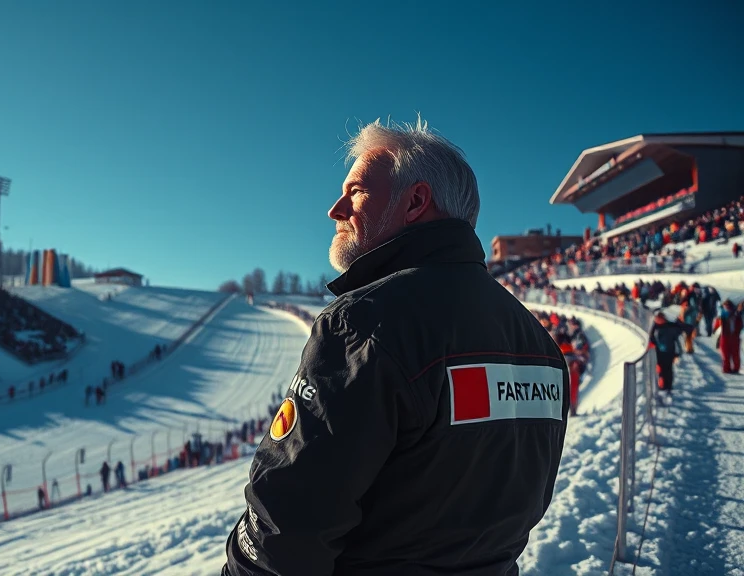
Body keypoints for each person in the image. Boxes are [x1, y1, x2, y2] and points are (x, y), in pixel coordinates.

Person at [223, 117, 569, 575]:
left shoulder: (365, 324)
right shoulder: (538, 343)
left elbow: (286, 527)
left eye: (357, 190)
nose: (335, 208)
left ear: (416, 202)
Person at [649, 310, 692, 399]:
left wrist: (677, 353)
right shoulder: (655, 327)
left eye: (659, 319)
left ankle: (666, 387)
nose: (657, 320)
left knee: (667, 370)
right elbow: (652, 338)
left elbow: (684, 330)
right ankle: (663, 386)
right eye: (657, 319)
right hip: (659, 352)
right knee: (661, 370)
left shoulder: (670, 327)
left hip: (669, 352)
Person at [713, 299, 742, 374]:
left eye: (728, 307)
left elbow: (740, 325)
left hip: (734, 336)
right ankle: (726, 368)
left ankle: (735, 368)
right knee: (725, 353)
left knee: (734, 354)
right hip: (725, 336)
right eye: (725, 306)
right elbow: (717, 324)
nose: (726, 308)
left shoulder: (736, 315)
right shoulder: (722, 315)